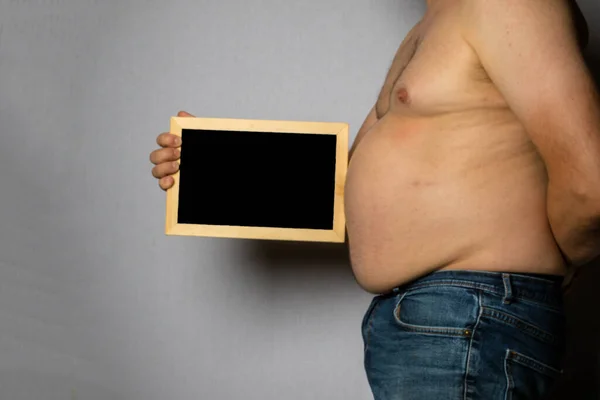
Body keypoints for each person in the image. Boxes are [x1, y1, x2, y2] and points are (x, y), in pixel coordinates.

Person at [149, 0, 599, 398]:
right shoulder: (433, 23)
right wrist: (214, 164)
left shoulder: (510, 4)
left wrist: (548, 273)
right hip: (434, 318)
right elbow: (350, 184)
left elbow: (590, 186)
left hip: (465, 317)